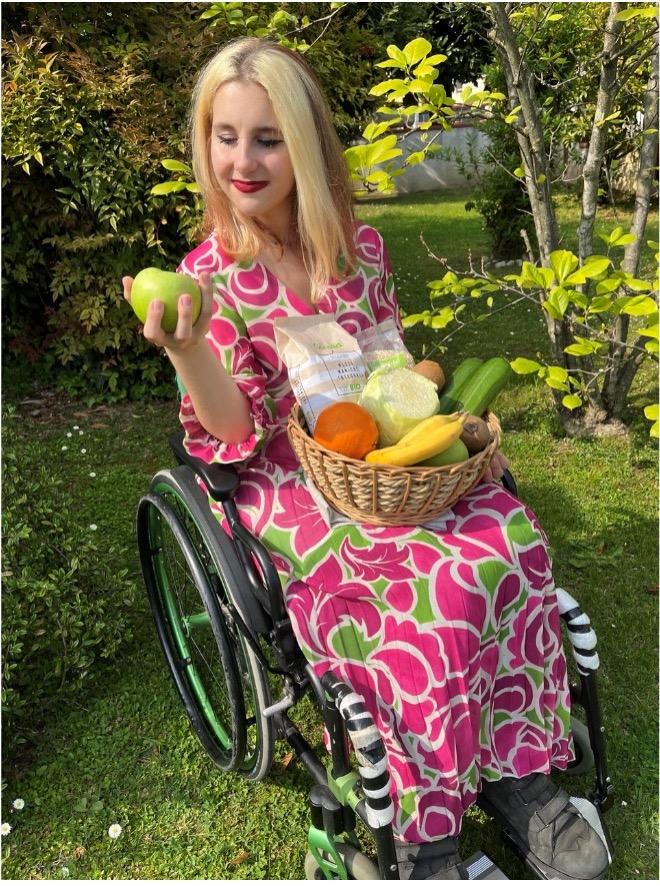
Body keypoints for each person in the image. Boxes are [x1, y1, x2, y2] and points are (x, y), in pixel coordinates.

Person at [123, 37, 609, 880]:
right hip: (284, 476)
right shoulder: (206, 276)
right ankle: (426, 837)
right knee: (426, 585)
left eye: (268, 137)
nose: (243, 159)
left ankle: (518, 773)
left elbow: (395, 370)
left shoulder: (358, 249)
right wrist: (189, 348)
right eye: (225, 135)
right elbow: (232, 434)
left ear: (305, 146)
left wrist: (452, 432)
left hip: (377, 456)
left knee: (510, 538)